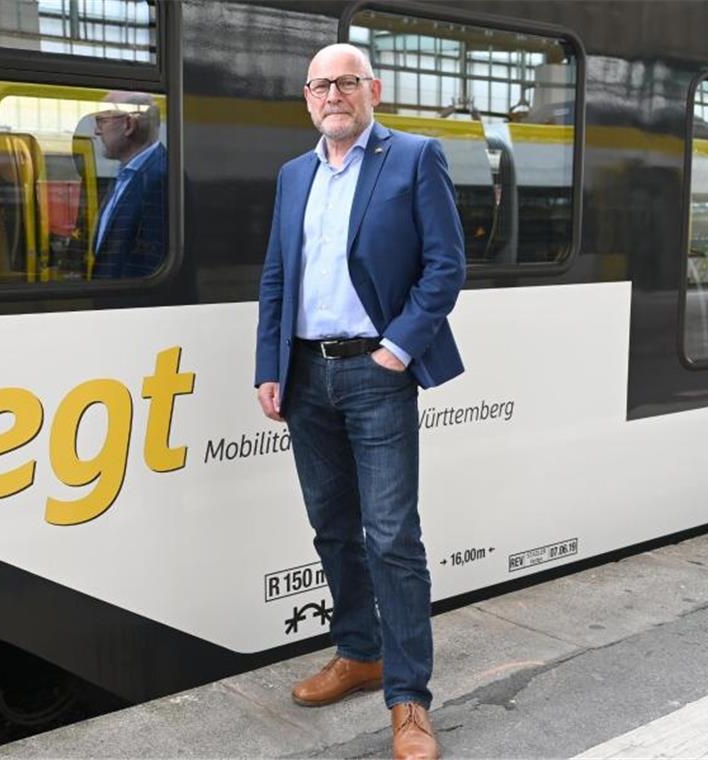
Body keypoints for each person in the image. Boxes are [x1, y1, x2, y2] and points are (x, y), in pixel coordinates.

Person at [254, 43, 466, 760]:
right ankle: (358, 652)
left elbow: (446, 265)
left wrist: (397, 348)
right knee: (333, 529)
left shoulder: (412, 158)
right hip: (306, 376)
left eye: (346, 82)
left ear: (371, 89)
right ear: (307, 97)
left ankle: (408, 701)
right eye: (320, 85)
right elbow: (277, 277)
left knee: (392, 537)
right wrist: (268, 366)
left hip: (377, 372)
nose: (333, 95)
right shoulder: (293, 174)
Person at [89, 92, 168, 280]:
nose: (96, 131)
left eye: (101, 121)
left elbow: (150, 267)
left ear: (128, 125)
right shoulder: (127, 174)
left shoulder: (161, 177)